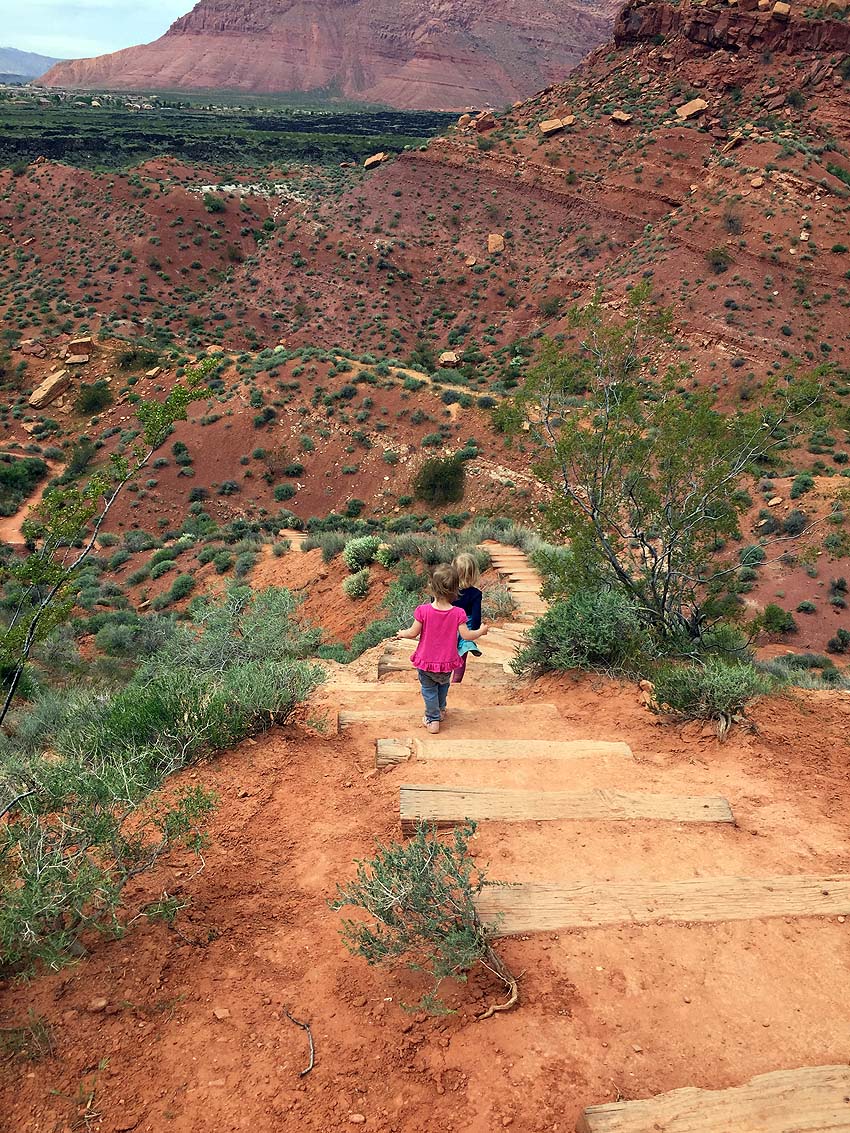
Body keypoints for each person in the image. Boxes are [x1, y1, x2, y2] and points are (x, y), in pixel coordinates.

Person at [396, 563, 488, 733]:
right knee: (443, 686)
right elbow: (467, 636)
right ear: (455, 589)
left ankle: (432, 719)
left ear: (432, 588)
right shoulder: (458, 613)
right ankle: (441, 709)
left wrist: (402, 633)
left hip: (426, 661)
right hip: (447, 662)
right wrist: (481, 631)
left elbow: (413, 632)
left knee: (429, 689)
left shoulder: (423, 611)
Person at [451, 552, 483, 684]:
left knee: (445, 654)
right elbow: (476, 617)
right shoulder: (475, 594)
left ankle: (440, 681)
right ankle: (455, 682)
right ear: (473, 573)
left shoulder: (449, 591)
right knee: (460, 658)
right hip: (465, 628)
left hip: (448, 627)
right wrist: (474, 631)